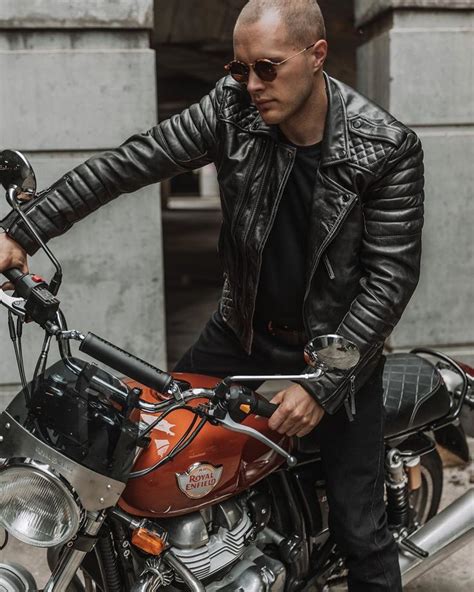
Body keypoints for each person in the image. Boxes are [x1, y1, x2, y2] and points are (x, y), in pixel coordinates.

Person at [0, 0, 424, 589]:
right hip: (239, 334)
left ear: (317, 55)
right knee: (155, 466)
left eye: (268, 68)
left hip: (334, 357)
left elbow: (389, 279)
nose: (251, 85)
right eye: (240, 68)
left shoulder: (386, 147)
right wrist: (21, 231)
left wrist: (324, 385)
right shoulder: (231, 110)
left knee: (362, 530)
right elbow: (126, 164)